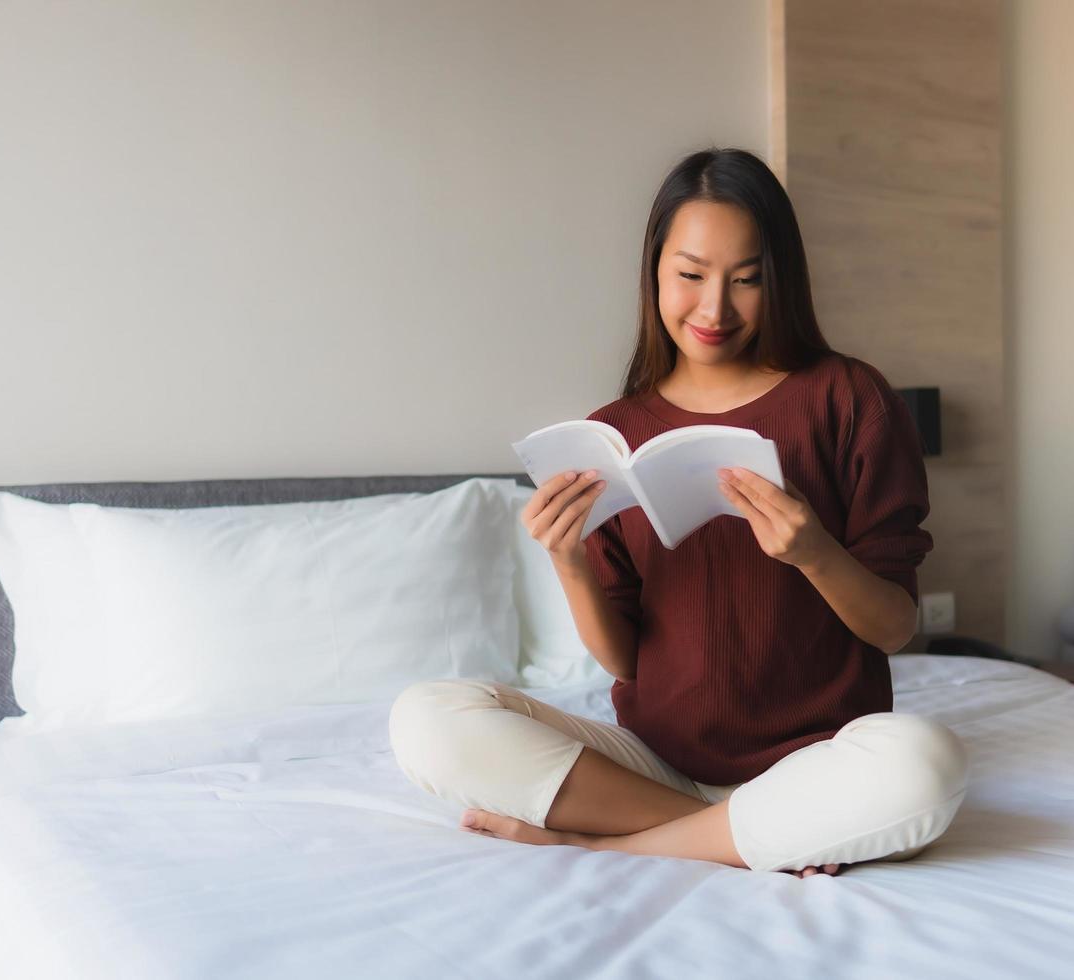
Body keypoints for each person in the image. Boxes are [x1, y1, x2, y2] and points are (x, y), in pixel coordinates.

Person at [388, 147, 969, 878]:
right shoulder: (613, 434)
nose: (715, 309)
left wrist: (814, 552)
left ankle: (602, 843)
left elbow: (893, 627)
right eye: (690, 276)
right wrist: (568, 560)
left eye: (747, 279)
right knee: (427, 718)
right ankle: (750, 835)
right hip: (653, 770)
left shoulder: (851, 399)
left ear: (780, 278)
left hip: (817, 764)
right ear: (655, 272)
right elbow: (627, 661)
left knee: (924, 764)